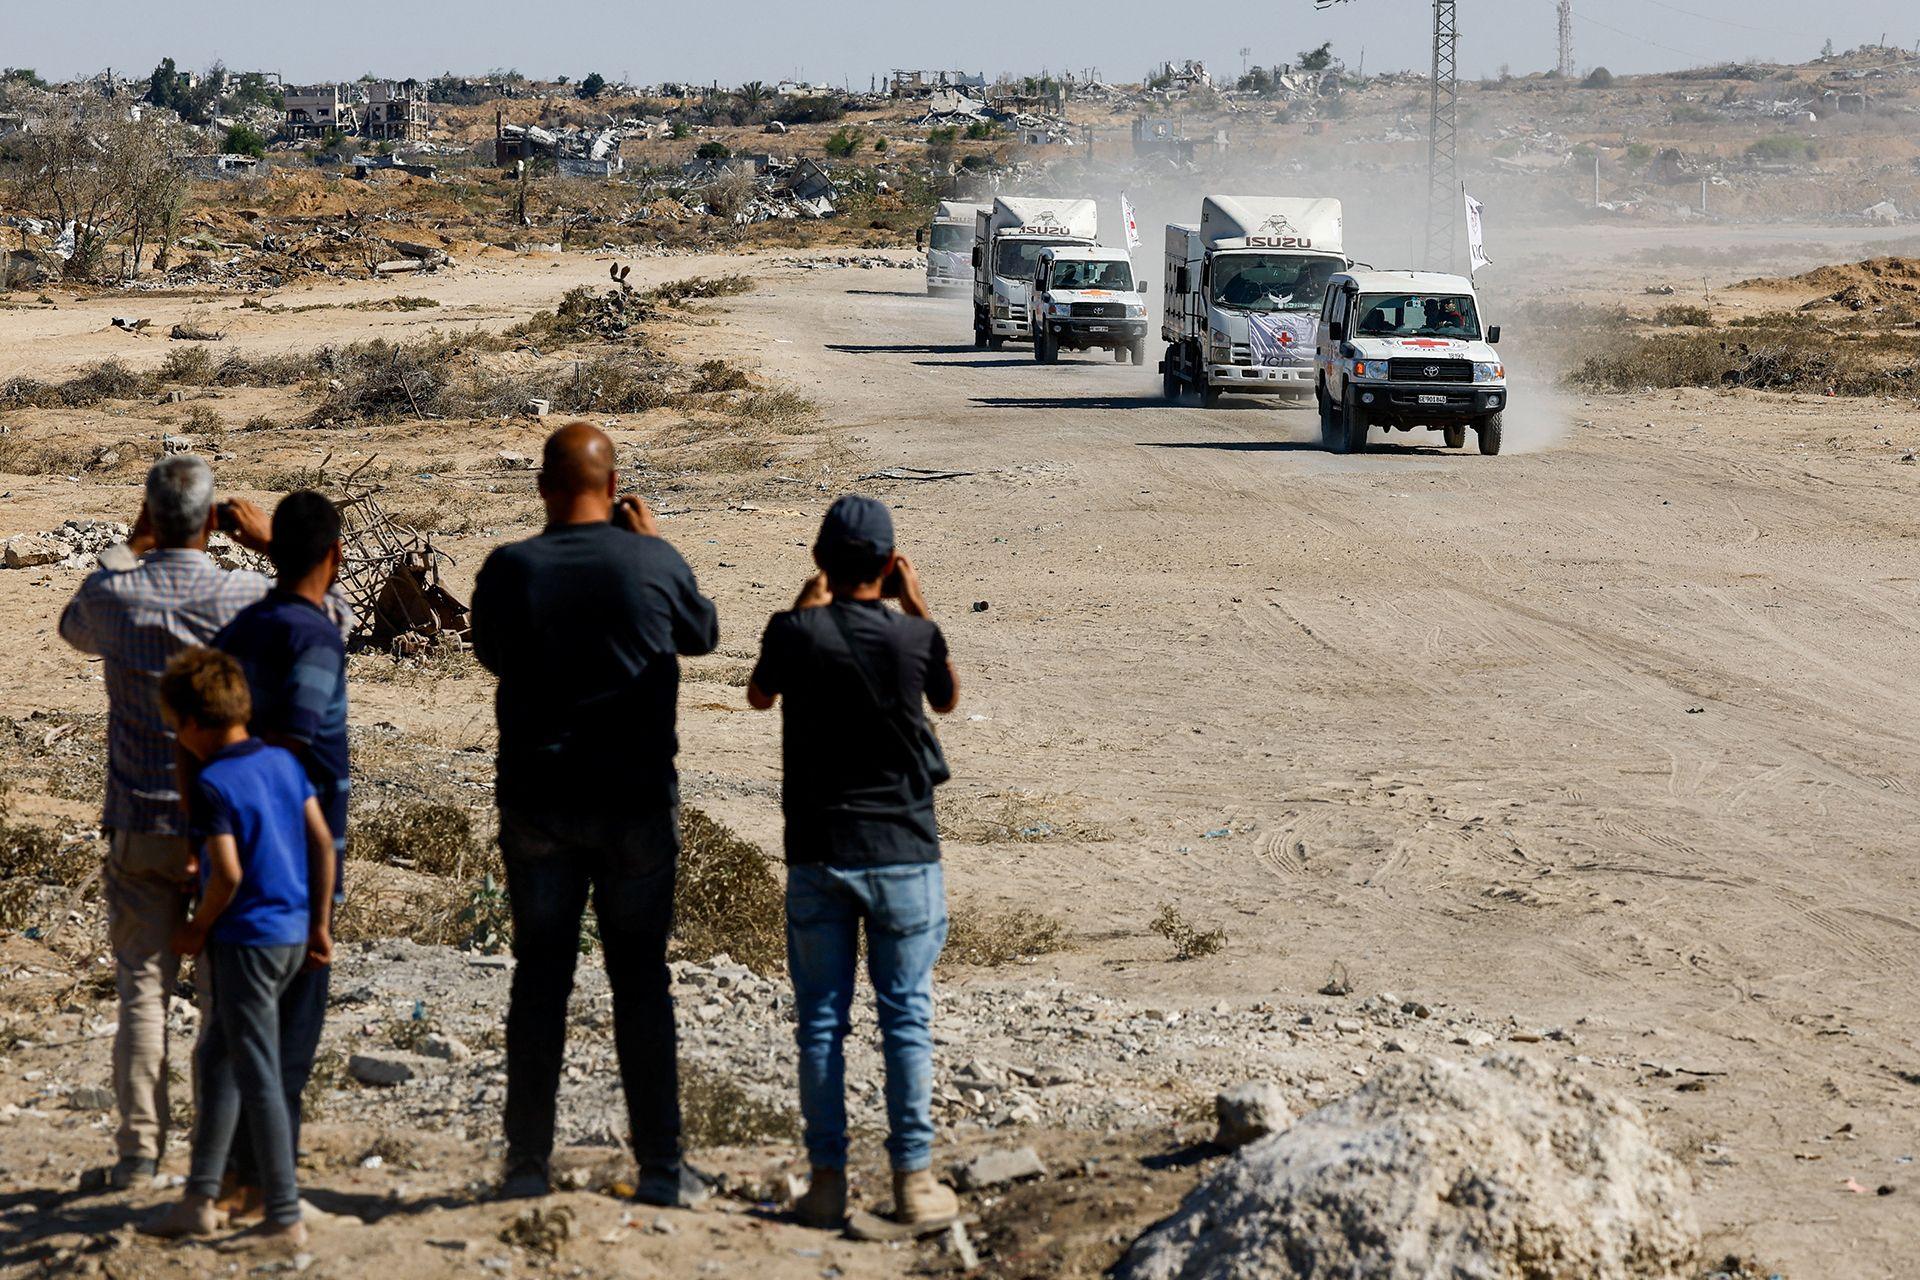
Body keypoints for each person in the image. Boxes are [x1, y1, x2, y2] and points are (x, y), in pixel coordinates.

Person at [470, 421, 720, 1207]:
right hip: (637, 804)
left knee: (540, 981)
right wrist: (655, 544)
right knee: (641, 983)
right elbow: (702, 634)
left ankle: (525, 1166)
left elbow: (491, 655)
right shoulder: (650, 559)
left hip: (539, 804)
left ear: (542, 487)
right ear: (613, 489)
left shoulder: (509, 569)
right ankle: (663, 1170)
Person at [58, 456, 287, 1188]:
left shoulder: (116, 598)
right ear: (213, 518)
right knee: (224, 1002)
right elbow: (327, 613)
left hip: (140, 819)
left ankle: (138, 1157)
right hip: (229, 824)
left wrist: (131, 545)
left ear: (154, 518)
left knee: (143, 992)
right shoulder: (244, 597)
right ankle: (217, 1164)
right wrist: (273, 545)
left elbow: (72, 625)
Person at [745, 495, 963, 1230]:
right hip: (903, 851)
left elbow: (756, 694)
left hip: (818, 851)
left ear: (821, 564)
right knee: (904, 1017)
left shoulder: (794, 632)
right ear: (889, 565)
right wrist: (918, 600)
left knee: (821, 1023)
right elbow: (949, 698)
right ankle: (913, 1181)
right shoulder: (914, 636)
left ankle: (828, 1183)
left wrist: (802, 607)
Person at [142, 647, 334, 1245]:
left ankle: (283, 1213)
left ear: (194, 723)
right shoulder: (281, 762)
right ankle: (200, 1197)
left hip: (246, 939)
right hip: (291, 932)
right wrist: (320, 923)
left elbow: (224, 873)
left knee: (258, 1073)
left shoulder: (214, 782)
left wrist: (197, 927)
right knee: (217, 1058)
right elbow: (323, 844)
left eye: (177, 729)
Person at [211, 491, 349, 1217]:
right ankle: (273, 1188)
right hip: (299, 852)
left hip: (236, 838)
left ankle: (231, 1179)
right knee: (291, 1036)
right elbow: (297, 738)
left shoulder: (241, 626)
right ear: (331, 556)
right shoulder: (316, 637)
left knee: (236, 1029)